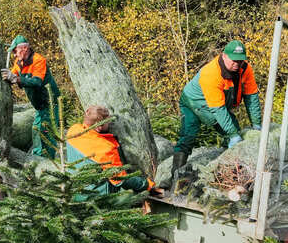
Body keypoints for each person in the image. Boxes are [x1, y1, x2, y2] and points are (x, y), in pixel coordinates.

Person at [172, 39, 263, 178]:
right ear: (224, 56)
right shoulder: (211, 73)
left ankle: (232, 174)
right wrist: (232, 135)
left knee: (234, 130)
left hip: (214, 103)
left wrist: (256, 124)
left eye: (240, 61)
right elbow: (218, 110)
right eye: (233, 60)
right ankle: (176, 175)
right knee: (189, 135)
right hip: (192, 101)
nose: (236, 64)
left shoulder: (245, 69)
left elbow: (252, 96)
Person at [66, 105, 162, 197]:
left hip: (74, 191)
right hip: (98, 196)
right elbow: (120, 179)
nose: (110, 124)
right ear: (99, 126)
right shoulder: (105, 149)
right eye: (108, 122)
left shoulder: (73, 130)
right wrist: (147, 185)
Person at [2, 36, 61, 158]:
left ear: (24, 48)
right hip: (39, 105)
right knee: (36, 130)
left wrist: (16, 79)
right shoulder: (19, 62)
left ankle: (48, 163)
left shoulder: (38, 60)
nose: (14, 54)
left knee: (47, 132)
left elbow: (37, 82)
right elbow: (12, 75)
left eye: (15, 51)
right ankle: (39, 158)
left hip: (50, 102)